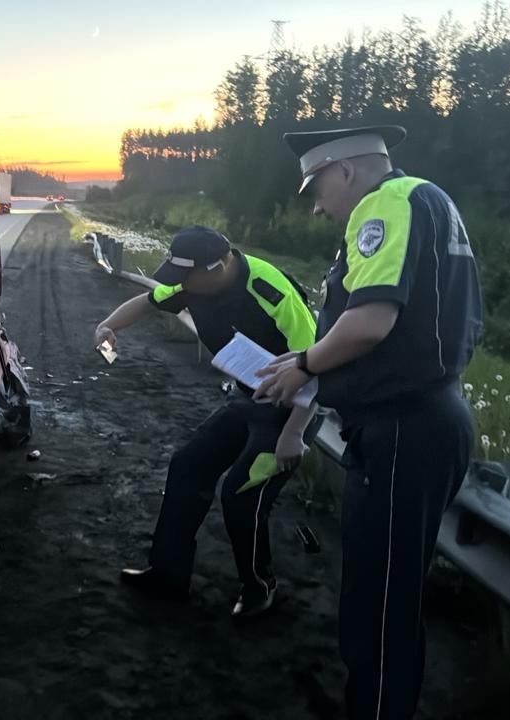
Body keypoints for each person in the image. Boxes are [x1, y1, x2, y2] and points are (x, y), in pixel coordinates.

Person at [255, 125, 483, 719]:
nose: (317, 204)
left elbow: (370, 322)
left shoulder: (386, 204)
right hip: (424, 417)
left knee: (378, 607)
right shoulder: (430, 200)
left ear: (346, 172)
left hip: (404, 428)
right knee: (385, 597)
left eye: (317, 188)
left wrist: (304, 364)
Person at [95, 224, 322, 617]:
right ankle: (168, 574)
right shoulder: (190, 282)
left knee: (241, 491)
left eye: (186, 277)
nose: (179, 286)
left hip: (291, 411)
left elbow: (318, 366)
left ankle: (258, 587)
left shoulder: (271, 292)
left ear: (218, 267)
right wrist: (108, 326)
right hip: (247, 397)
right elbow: (148, 301)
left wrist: (295, 433)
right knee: (187, 467)